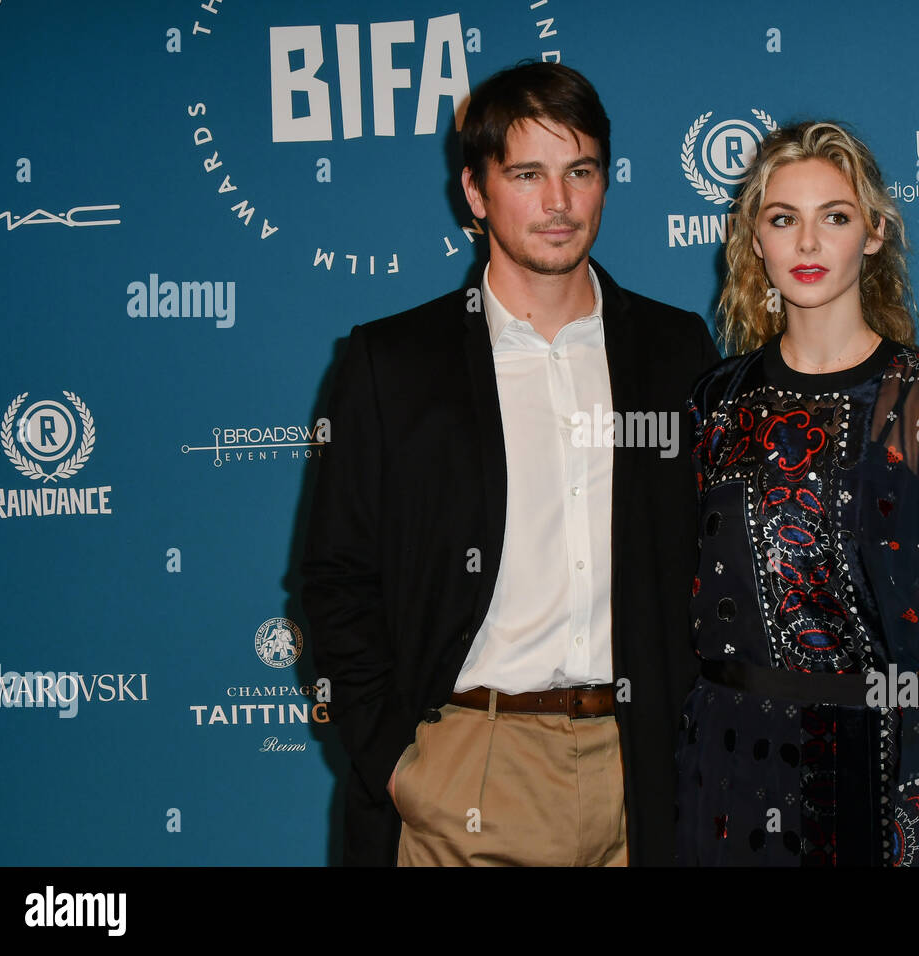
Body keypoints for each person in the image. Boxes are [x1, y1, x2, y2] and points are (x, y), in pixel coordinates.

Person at [302, 62, 719, 866]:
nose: (558, 203)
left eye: (580, 172)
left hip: (641, 772)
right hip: (467, 766)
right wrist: (399, 765)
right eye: (527, 174)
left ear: (605, 182)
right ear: (476, 190)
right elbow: (335, 577)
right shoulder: (393, 364)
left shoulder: (676, 351)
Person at [677, 120, 919, 866]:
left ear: (872, 234)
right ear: (753, 241)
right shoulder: (716, 403)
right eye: (782, 219)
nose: (807, 243)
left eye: (833, 216)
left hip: (894, 766)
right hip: (735, 772)